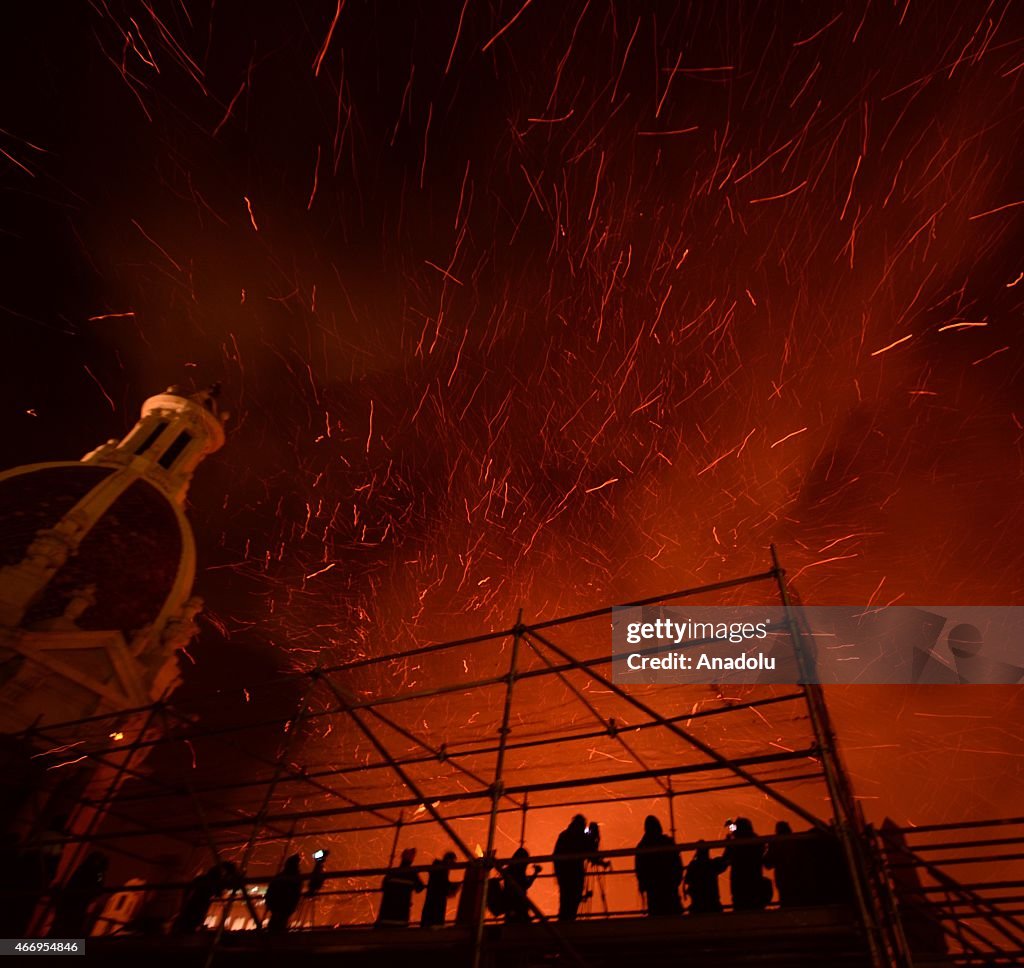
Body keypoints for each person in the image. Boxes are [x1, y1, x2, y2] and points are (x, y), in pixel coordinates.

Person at [49, 851, 107, 938]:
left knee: (59, 929)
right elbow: (97, 890)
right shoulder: (93, 873)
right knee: (65, 931)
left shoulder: (83, 869)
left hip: (69, 904)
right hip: (76, 906)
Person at [634, 816, 682, 916]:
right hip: (670, 891)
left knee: (657, 918)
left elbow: (639, 870)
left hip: (653, 894)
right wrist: (675, 880)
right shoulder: (667, 842)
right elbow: (678, 865)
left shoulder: (642, 846)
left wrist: (644, 885)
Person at [722, 818, 771, 911]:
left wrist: (728, 842)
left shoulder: (736, 844)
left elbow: (725, 858)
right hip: (755, 885)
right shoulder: (756, 842)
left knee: (740, 908)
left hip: (739, 886)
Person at [763, 821, 814, 907]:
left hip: (784, 880)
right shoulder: (798, 842)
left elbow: (768, 864)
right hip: (799, 880)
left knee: (787, 902)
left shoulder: (776, 843)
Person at [553, 815, 592, 921]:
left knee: (565, 904)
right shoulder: (578, 838)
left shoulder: (564, 836)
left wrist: (559, 875)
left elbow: (555, 857)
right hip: (574, 876)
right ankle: (567, 924)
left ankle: (564, 924)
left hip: (564, 877)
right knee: (571, 904)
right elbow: (589, 851)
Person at [376, 848, 424, 928]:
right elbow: (420, 888)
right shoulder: (412, 873)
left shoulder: (392, 872)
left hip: (385, 917)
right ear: (412, 859)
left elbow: (383, 887)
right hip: (401, 918)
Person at [172, 863, 226, 934]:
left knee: (187, 919)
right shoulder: (212, 882)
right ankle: (185, 934)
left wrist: (184, 902)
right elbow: (219, 894)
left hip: (193, 902)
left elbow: (188, 889)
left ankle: (179, 933)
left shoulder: (200, 879)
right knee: (193, 921)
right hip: (201, 904)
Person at [685, 840, 727, 914]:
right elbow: (724, 861)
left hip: (697, 905)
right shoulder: (712, 865)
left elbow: (687, 880)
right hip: (712, 905)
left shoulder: (694, 866)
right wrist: (728, 844)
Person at [264, 855, 302, 933]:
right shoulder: (296, 878)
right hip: (285, 907)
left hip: (276, 905)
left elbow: (270, 890)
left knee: (274, 926)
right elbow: (296, 894)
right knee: (280, 925)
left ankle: (271, 938)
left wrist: (269, 904)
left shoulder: (279, 877)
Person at [421, 852, 460, 928]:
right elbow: (442, 884)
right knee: (435, 923)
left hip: (433, 902)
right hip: (437, 903)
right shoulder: (441, 869)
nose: (452, 865)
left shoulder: (438, 868)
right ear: (448, 860)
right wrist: (454, 887)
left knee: (429, 922)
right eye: (452, 862)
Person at [504, 847, 541, 923]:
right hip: (518, 904)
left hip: (512, 905)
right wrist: (535, 873)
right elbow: (525, 885)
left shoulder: (510, 869)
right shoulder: (518, 871)